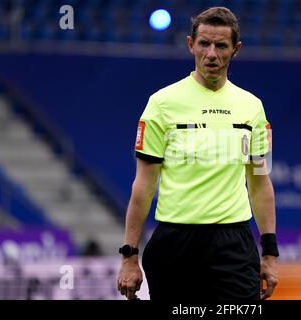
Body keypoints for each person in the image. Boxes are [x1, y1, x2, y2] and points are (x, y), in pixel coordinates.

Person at [117, 6, 278, 301]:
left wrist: (269, 252)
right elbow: (143, 185)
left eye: (221, 45)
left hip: (234, 245)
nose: (212, 54)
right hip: (175, 243)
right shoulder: (161, 104)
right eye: (204, 43)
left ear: (236, 49)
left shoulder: (252, 107)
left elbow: (259, 183)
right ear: (191, 45)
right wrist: (129, 255)